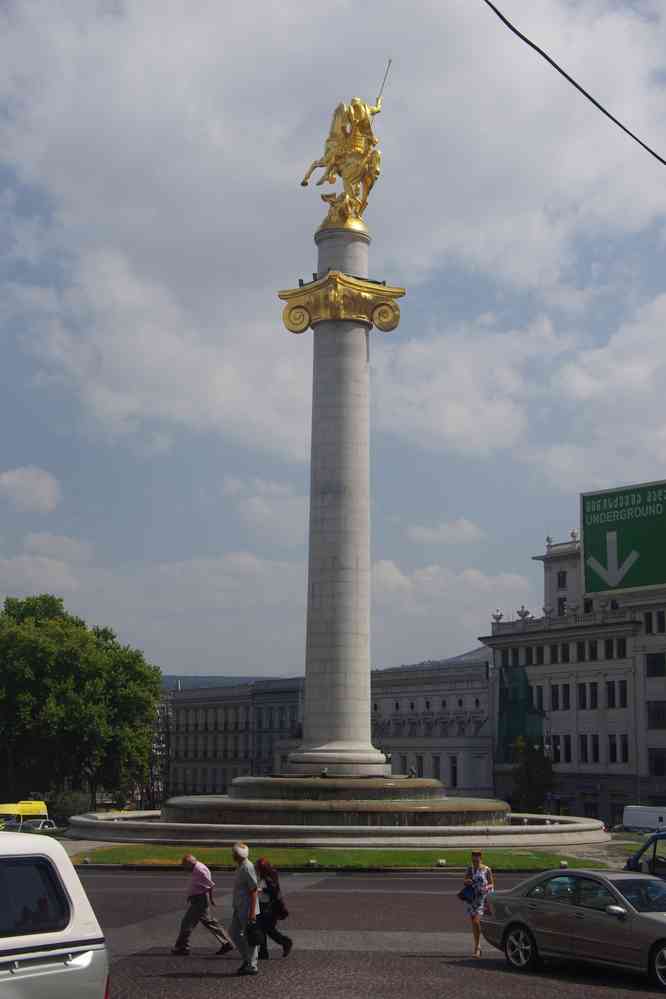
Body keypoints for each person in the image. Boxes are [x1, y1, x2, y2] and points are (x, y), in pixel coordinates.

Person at [172, 853, 234, 956]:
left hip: (199, 901)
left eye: (184, 866)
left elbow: (210, 885)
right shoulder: (196, 867)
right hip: (198, 899)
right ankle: (227, 943)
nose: (184, 868)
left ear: (189, 864)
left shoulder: (200, 870)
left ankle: (182, 947)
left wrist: (211, 898)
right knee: (209, 922)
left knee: (187, 923)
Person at [229, 842, 260, 976]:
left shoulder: (247, 867)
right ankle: (247, 960)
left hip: (247, 909)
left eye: (233, 853)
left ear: (237, 855)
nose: (232, 855)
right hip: (239, 906)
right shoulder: (241, 866)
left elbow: (254, 890)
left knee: (249, 936)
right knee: (234, 933)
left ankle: (252, 965)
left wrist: (252, 912)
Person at [255, 857, 293, 960]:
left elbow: (274, 892)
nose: (256, 869)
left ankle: (285, 942)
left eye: (257, 868)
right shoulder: (267, 876)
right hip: (264, 906)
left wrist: (262, 889)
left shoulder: (268, 878)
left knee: (267, 929)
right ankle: (263, 952)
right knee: (263, 929)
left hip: (268, 907)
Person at [463, 849, 494, 958]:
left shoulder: (486, 869)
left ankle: (477, 948)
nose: (475, 859)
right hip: (472, 898)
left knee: (476, 921)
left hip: (482, 899)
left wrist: (486, 887)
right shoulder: (470, 869)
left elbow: (491, 884)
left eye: (477, 857)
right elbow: (464, 880)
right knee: (474, 923)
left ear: (481, 858)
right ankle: (477, 946)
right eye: (474, 857)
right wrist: (468, 881)